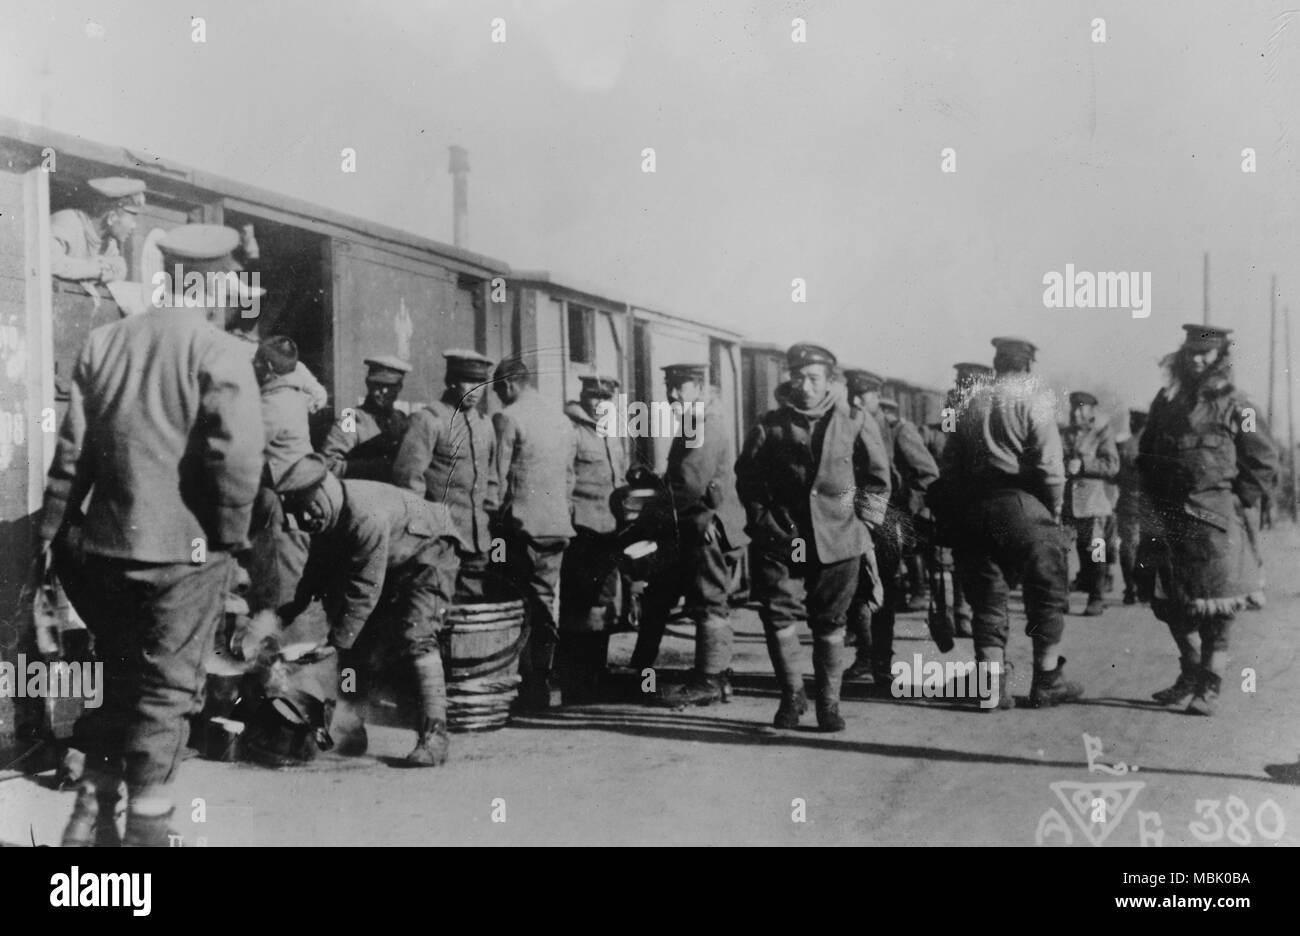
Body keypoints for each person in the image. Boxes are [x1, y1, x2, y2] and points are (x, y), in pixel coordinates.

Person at [42, 224, 263, 846]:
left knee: (117, 681)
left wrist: (56, 537)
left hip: (104, 552)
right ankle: (147, 833)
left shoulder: (104, 342)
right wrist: (231, 540)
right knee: (166, 695)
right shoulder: (219, 352)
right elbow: (238, 458)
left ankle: (89, 816)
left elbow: (70, 458)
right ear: (217, 281)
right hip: (184, 556)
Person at [736, 344, 891, 731]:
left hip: (839, 537)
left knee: (831, 621)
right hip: (784, 537)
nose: (804, 386)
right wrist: (760, 522)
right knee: (778, 614)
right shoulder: (771, 424)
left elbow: (877, 479)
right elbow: (748, 479)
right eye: (798, 377)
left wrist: (865, 527)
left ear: (830, 381)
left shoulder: (854, 420)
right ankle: (791, 696)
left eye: (813, 378)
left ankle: (828, 703)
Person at [275, 454, 462, 764]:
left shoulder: (364, 516)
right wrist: (286, 614)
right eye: (298, 515)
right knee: (353, 632)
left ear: (323, 491)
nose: (306, 520)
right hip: (397, 556)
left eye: (308, 510)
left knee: (416, 633)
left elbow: (364, 589)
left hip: (432, 550)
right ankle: (350, 726)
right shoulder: (329, 515)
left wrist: (335, 643)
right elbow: (315, 573)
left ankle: (435, 736)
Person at [932, 337, 1082, 711]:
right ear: (1028, 366)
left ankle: (990, 686)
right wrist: (1053, 512)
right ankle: (1046, 680)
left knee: (986, 597)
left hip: (974, 508)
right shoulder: (1035, 400)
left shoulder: (970, 401)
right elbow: (1050, 467)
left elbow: (950, 463)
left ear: (996, 363)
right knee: (1045, 592)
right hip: (1024, 504)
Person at [1137, 324, 1278, 715]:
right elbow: (1146, 451)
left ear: (1220, 356)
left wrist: (1238, 500)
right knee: (1166, 603)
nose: (1197, 359)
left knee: (1218, 609)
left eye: (1207, 353)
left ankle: (1209, 686)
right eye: (1192, 353)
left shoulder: (1237, 405)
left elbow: (1263, 459)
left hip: (1216, 522)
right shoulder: (1167, 401)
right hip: (1168, 517)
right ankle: (1191, 670)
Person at [632, 363, 750, 708]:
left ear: (698, 388)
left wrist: (650, 504)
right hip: (691, 527)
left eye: (680, 387)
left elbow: (688, 485)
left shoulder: (704, 424)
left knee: (708, 601)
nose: (671, 395)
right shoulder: (696, 421)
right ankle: (650, 674)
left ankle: (710, 680)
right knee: (661, 597)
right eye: (669, 387)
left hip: (705, 529)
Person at [492, 358, 577, 709]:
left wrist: (491, 524)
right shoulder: (561, 420)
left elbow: (497, 478)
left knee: (515, 605)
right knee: (545, 600)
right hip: (556, 525)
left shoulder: (509, 417)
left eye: (498, 391)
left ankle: (524, 686)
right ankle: (541, 682)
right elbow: (570, 477)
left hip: (520, 528)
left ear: (509, 385)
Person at [393, 350, 500, 599]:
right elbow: (409, 483)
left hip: (477, 543)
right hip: (439, 542)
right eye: (468, 381)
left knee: (470, 617)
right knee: (431, 611)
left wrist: (488, 521)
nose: (475, 390)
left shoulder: (485, 425)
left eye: (481, 383)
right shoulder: (429, 420)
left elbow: (492, 480)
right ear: (451, 381)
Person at [558, 375, 629, 702]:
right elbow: (563, 481)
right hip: (583, 530)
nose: (600, 403)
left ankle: (595, 675)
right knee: (579, 606)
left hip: (610, 531)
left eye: (605, 398)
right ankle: (576, 682)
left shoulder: (613, 431)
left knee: (602, 605)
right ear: (583, 396)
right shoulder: (570, 430)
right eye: (593, 396)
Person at [247, 336, 317, 617]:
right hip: (297, 493)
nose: (252, 366)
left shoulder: (272, 404)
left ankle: (271, 625)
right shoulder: (293, 393)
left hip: (282, 497)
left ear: (267, 368)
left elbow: (244, 448)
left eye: (256, 362)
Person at [1062, 390, 1120, 616]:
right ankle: (1060, 599)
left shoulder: (1102, 433)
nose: (1076, 412)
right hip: (1067, 503)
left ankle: (1096, 598)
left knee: (1096, 552)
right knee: (1061, 551)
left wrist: (1084, 464)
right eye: (1074, 407)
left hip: (1094, 503)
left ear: (1091, 411)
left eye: (1081, 408)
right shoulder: (1064, 433)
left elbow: (1112, 465)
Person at [321, 355, 412, 482]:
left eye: (388, 387)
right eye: (376, 385)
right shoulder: (350, 418)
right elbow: (329, 466)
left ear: (399, 387)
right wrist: (371, 468)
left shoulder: (400, 419)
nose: (380, 392)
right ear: (368, 384)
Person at [49, 177, 145, 283]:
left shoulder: (108, 243)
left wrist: (109, 270)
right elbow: (48, 262)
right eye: (132, 218)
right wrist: (95, 269)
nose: (134, 225)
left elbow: (120, 268)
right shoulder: (68, 222)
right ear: (112, 217)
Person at [1115, 408, 1148, 605]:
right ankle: (1146, 589)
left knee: (1128, 546)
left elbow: (1115, 475)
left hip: (1127, 502)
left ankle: (1131, 589)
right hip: (1150, 504)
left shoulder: (1124, 446)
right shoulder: (1155, 446)